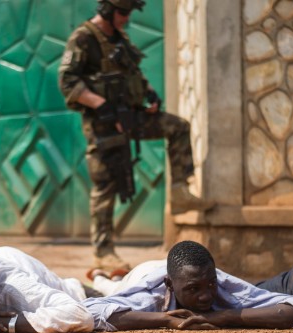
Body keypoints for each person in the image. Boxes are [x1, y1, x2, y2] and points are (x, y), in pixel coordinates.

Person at [58, 0, 215, 272]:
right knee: (105, 186)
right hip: (103, 123)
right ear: (107, 9)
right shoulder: (84, 37)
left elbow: (134, 74)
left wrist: (149, 94)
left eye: (130, 12)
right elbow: (67, 81)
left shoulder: (121, 38)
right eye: (123, 12)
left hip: (131, 115)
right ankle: (104, 252)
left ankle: (179, 191)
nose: (127, 17)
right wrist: (100, 104)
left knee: (177, 126)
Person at [82, 241, 293, 331]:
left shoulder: (222, 284)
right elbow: (89, 312)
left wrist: (225, 317)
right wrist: (167, 319)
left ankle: (106, 277)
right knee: (112, 291)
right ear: (170, 285)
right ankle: (102, 278)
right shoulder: (150, 295)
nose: (205, 296)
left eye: (209, 285)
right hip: (141, 273)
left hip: (174, 269)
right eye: (193, 289)